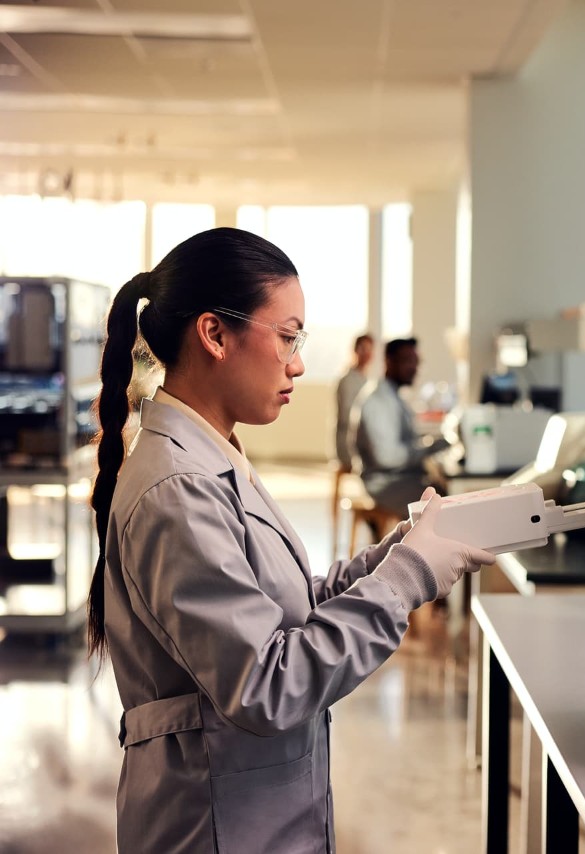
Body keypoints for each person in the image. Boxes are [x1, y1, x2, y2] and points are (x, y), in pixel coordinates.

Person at [86, 227, 495, 853]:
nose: (298, 362)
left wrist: (400, 551)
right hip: (213, 825)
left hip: (253, 814)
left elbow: (280, 602)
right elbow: (268, 685)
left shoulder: (212, 457)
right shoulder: (178, 488)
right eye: (287, 336)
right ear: (215, 334)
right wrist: (406, 577)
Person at [352, 337, 434, 514]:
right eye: (407, 361)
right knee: (445, 504)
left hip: (401, 478)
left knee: (445, 496)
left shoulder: (393, 395)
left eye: (415, 361)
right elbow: (387, 457)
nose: (413, 368)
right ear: (388, 361)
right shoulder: (378, 401)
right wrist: (428, 449)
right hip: (385, 485)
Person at [335, 332, 374, 470]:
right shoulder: (347, 380)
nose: (367, 353)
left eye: (370, 349)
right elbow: (348, 416)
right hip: (349, 442)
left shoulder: (366, 379)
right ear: (355, 350)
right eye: (363, 348)